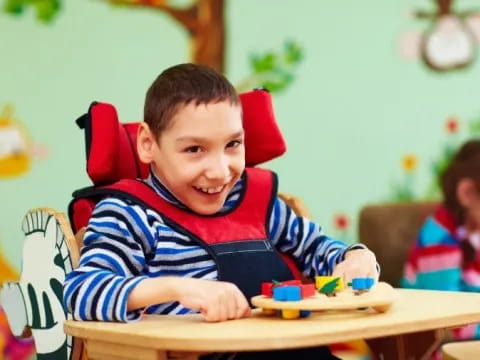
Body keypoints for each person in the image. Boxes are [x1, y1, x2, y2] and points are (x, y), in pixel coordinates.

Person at [63, 63, 379, 359]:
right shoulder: (128, 214)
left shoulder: (259, 203)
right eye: (194, 149)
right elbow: (81, 292)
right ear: (147, 143)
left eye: (232, 145)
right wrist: (177, 287)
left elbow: (319, 250)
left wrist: (355, 258)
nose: (219, 171)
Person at [402, 139, 480, 340]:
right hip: (435, 348)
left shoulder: (473, 232)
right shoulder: (438, 241)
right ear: (467, 193)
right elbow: (450, 324)